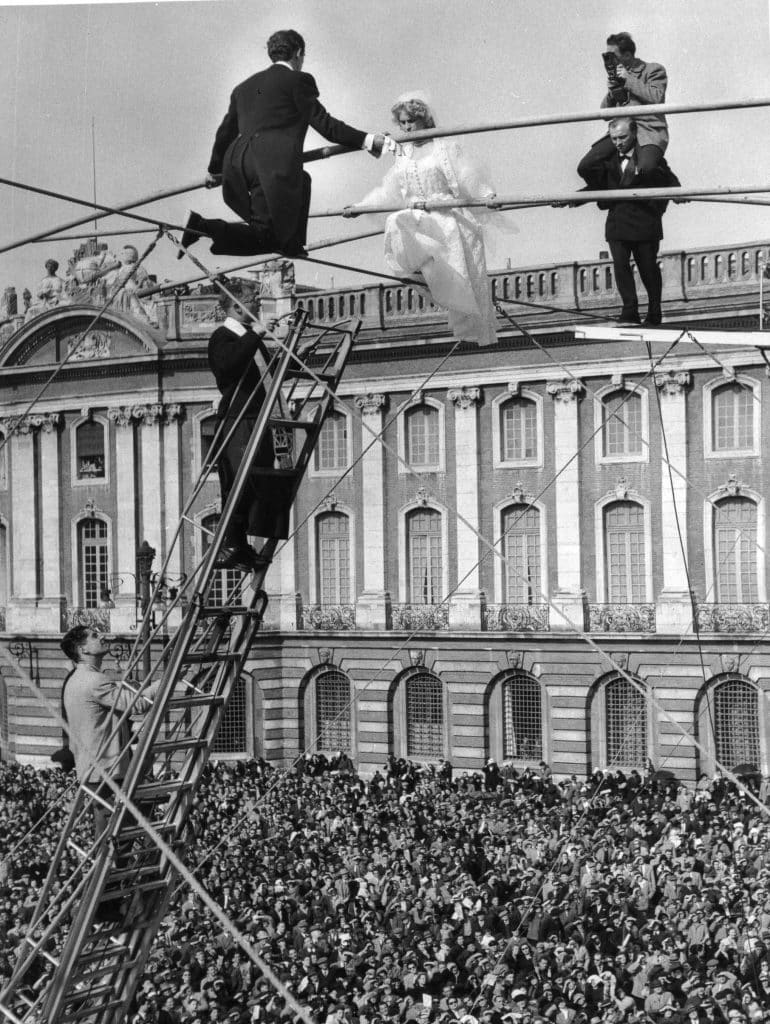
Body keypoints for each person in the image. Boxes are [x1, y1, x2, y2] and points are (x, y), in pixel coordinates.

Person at [180, 29, 390, 261]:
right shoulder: (298, 80)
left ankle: (289, 244)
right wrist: (368, 140)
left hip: (238, 163)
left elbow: (225, 132)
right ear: (299, 53)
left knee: (299, 185)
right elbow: (326, 124)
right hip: (269, 164)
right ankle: (206, 227)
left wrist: (215, 170)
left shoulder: (243, 88)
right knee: (270, 232)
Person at [343, 92, 502, 347]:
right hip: (420, 217)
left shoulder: (445, 147)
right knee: (395, 222)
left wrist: (487, 195)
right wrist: (360, 207)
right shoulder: (403, 153)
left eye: (410, 122)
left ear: (423, 120)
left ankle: (459, 310)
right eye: (402, 123)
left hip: (447, 216)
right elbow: (389, 189)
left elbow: (467, 175)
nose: (406, 128)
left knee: (460, 279)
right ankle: (418, 275)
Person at [207, 293, 315, 571]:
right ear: (237, 307)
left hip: (264, 419)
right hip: (241, 420)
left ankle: (243, 547)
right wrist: (255, 333)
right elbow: (228, 366)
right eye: (253, 302)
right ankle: (232, 544)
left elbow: (267, 375)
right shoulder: (223, 337)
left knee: (265, 480)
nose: (258, 305)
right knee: (241, 482)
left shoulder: (251, 340)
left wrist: (294, 361)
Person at [577, 116, 680, 326]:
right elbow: (599, 188)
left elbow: (671, 180)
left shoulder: (650, 157)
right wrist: (573, 199)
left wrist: (679, 195)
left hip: (645, 222)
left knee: (648, 268)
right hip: (618, 222)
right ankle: (629, 311)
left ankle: (654, 312)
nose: (618, 143)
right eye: (614, 139)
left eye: (622, 137)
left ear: (634, 134)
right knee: (621, 266)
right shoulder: (608, 161)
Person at [60, 625, 160, 838]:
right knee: (120, 830)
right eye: (95, 636)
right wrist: (166, 681)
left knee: (107, 827)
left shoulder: (76, 679)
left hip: (95, 769)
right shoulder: (95, 680)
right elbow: (138, 705)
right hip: (109, 770)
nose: (102, 636)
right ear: (82, 649)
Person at [577, 32, 669, 184]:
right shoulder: (617, 76)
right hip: (621, 131)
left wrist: (629, 79)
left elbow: (657, 97)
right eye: (606, 56)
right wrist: (613, 92)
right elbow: (605, 114)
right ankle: (605, 189)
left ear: (627, 55)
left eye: (612, 56)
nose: (608, 60)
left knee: (647, 169)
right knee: (587, 166)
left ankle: (666, 176)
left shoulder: (653, 69)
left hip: (647, 130)